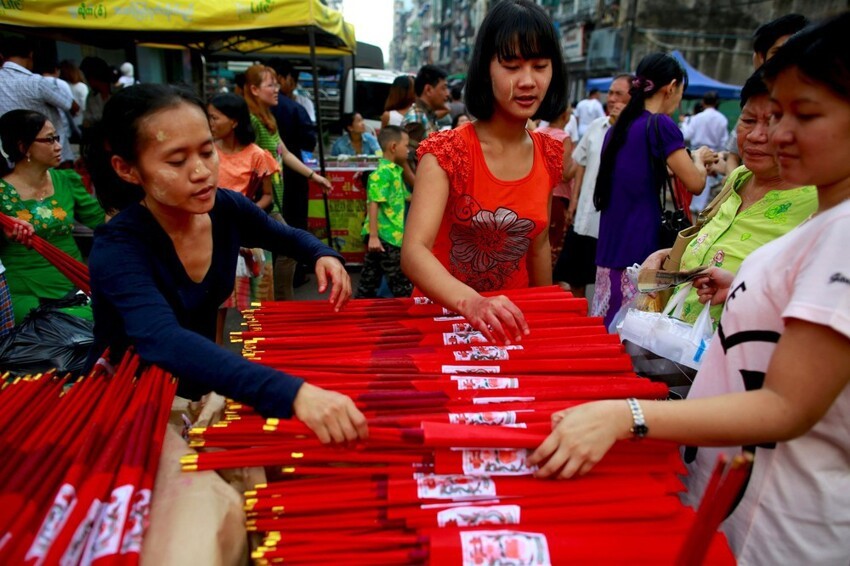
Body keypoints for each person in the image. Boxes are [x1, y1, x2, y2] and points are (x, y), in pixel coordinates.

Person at [530, 14, 850, 564]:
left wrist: (626, 416)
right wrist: (742, 286)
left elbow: (786, 407)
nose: (776, 134)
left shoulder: (843, 231)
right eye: (773, 114)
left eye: (805, 114)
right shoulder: (826, 217)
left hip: (780, 527)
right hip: (745, 502)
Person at [84, 84, 367, 443]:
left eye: (207, 151)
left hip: (196, 389)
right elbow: (163, 339)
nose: (201, 171)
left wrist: (323, 254)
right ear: (127, 169)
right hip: (129, 406)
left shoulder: (226, 208)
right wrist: (294, 393)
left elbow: (285, 235)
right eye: (176, 161)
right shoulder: (119, 248)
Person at [401, 0, 566, 344]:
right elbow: (415, 251)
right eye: (511, 65)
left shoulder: (549, 153)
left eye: (540, 66)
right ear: (485, 68)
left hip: (509, 328)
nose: (527, 81)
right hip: (439, 322)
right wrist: (472, 303)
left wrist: (547, 318)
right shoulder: (446, 152)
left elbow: (538, 246)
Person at [641, 71, 817, 327]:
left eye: (772, 122)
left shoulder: (821, 203)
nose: (756, 135)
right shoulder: (739, 177)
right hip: (675, 343)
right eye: (747, 120)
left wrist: (739, 287)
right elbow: (717, 248)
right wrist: (666, 255)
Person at [590, 52, 716, 328]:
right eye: (680, 92)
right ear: (671, 87)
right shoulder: (660, 124)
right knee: (631, 334)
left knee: (606, 327)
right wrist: (699, 159)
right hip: (640, 246)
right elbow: (695, 183)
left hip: (610, 245)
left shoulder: (619, 128)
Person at [0, 109, 105, 323]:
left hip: (75, 283)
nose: (58, 146)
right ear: (23, 147)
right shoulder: (1, 191)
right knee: (47, 330)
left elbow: (101, 220)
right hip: (25, 292)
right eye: (49, 140)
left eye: (57, 138)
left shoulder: (65, 180)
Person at [242, 64, 332, 301]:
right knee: (286, 250)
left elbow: (286, 153)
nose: (276, 90)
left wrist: (314, 176)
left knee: (275, 256)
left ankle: (276, 306)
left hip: (272, 201)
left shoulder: (268, 118)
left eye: (276, 84)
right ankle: (279, 306)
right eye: (270, 85)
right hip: (261, 202)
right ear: (253, 89)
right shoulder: (251, 122)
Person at [553, 74, 632, 298]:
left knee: (606, 284)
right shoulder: (597, 126)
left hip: (611, 222)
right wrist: (574, 201)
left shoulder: (634, 132)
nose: (612, 98)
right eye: (610, 93)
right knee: (575, 279)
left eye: (618, 94)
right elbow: (580, 166)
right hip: (585, 218)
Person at [208, 93, 278, 310]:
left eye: (214, 117)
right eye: (208, 117)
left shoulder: (257, 155)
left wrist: (247, 211)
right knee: (216, 301)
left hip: (250, 231)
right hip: (214, 231)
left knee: (257, 302)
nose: (210, 123)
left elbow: (267, 196)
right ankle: (214, 344)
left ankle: (258, 344)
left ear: (234, 121)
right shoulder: (207, 152)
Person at [725, 13, 810, 172]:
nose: (756, 136)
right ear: (758, 59)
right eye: (778, 54)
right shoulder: (754, 105)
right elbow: (733, 156)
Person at [355, 126, 413, 299]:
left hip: (389, 236)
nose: (408, 150)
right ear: (394, 147)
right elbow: (374, 203)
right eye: (406, 145)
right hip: (385, 237)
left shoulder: (395, 171)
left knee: (369, 279)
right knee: (400, 283)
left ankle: (359, 308)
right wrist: (373, 236)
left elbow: (406, 197)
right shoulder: (381, 173)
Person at [0, 37, 74, 143]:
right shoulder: (37, 82)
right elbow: (68, 104)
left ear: (1, 56)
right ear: (31, 55)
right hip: (49, 148)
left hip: (12, 149)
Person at [59, 60, 89, 133]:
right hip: (80, 123)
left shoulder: (59, 87)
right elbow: (85, 107)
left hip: (66, 125)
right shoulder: (81, 87)